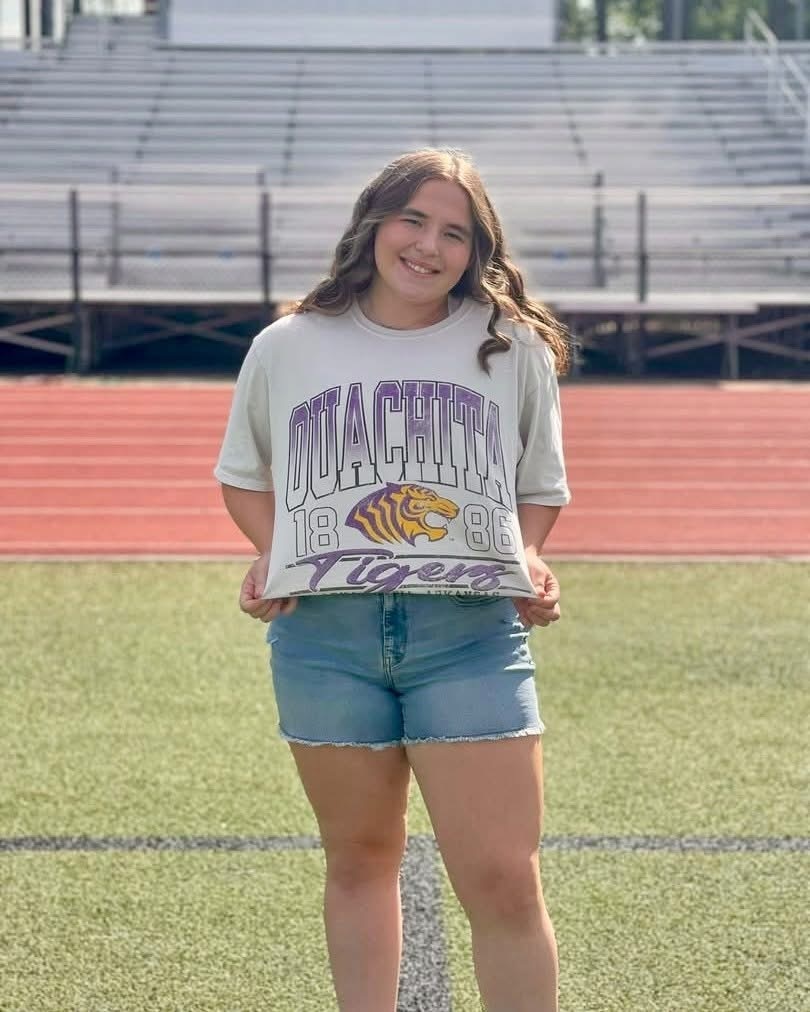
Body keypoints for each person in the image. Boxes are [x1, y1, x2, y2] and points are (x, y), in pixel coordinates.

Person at [214, 148, 571, 1012]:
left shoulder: (508, 344)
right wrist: (274, 550)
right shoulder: (288, 344)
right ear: (374, 222)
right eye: (413, 219)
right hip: (325, 640)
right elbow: (244, 473)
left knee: (502, 880)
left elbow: (539, 488)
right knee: (360, 859)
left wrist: (525, 555)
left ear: (478, 250)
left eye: (455, 231)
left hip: (470, 635)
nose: (429, 245)